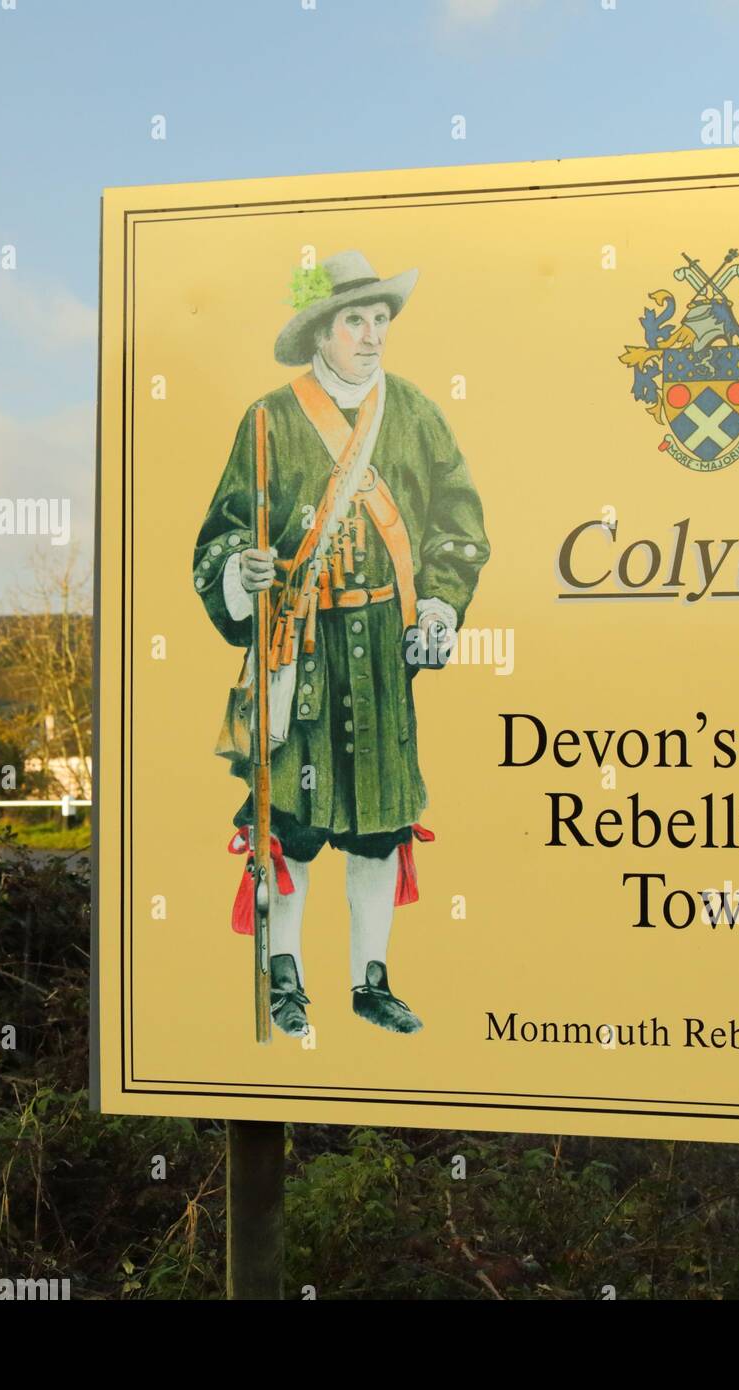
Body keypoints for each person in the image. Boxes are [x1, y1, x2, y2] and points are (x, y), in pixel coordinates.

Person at [193, 250, 489, 1037]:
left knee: (379, 824)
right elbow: (218, 537)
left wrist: (439, 612)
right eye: (354, 320)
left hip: (387, 655)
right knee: (290, 821)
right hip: (300, 649)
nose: (371, 335)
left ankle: (370, 983)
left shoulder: (419, 414)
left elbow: (460, 527)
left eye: (380, 319)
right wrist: (240, 574)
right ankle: (284, 981)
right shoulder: (268, 422)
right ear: (321, 332)